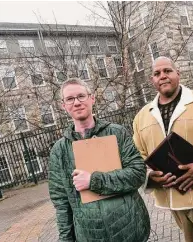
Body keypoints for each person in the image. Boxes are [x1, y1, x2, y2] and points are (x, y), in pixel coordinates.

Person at [133, 56, 193, 242]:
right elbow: (137, 154)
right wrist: (149, 175)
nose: (162, 76)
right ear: (152, 80)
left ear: (178, 73)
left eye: (167, 71)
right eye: (157, 73)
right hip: (174, 199)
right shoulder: (141, 117)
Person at [48, 78, 150, 242]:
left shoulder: (117, 133)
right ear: (63, 105)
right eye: (70, 99)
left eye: (81, 96)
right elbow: (61, 203)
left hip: (130, 229)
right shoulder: (59, 151)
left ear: (92, 98)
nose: (77, 102)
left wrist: (94, 180)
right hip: (90, 235)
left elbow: (138, 174)